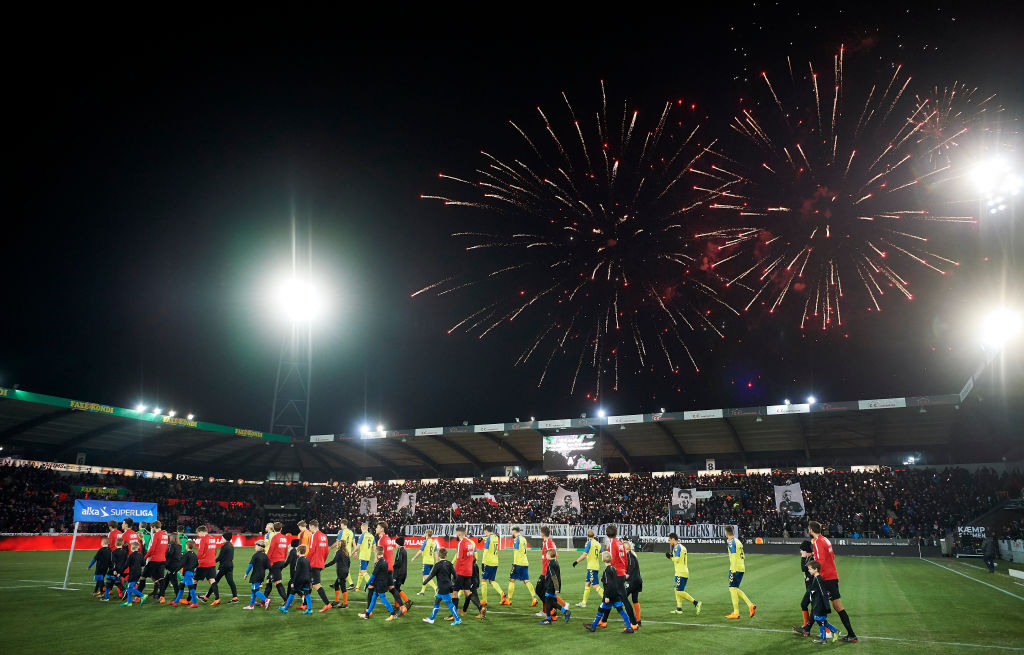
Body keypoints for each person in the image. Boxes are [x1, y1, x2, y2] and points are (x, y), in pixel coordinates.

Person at [808, 521, 857, 642]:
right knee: (835, 606)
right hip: (832, 575)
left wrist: (816, 574)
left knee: (817, 605)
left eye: (808, 529)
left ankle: (824, 634)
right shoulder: (825, 539)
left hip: (825, 577)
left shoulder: (818, 542)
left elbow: (820, 562)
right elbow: (832, 557)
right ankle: (850, 634)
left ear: (811, 530)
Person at [597, 525, 637, 628]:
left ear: (607, 533)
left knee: (621, 599)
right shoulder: (620, 543)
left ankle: (633, 623)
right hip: (621, 573)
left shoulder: (611, 544)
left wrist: (609, 572)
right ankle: (604, 620)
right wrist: (625, 571)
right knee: (609, 596)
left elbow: (611, 559)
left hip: (616, 574)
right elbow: (626, 559)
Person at [583, 552, 634, 634]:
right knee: (620, 610)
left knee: (601, 609)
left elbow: (608, 584)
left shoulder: (607, 570)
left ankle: (593, 627)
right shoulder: (613, 568)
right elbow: (615, 582)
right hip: (616, 593)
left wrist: (606, 596)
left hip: (609, 595)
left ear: (603, 560)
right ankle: (629, 627)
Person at [422, 547, 462, 626]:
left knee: (450, 603)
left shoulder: (437, 565)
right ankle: (431, 619)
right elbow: (455, 575)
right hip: (446, 587)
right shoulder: (449, 564)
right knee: (437, 601)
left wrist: (425, 582)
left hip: (443, 588)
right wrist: (454, 584)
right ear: (446, 555)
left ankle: (458, 619)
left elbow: (431, 576)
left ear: (439, 555)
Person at [358, 545, 399, 621]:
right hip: (381, 583)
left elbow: (373, 575)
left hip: (380, 583)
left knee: (383, 598)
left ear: (376, 553)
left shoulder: (379, 563)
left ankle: (393, 613)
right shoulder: (385, 561)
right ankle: (367, 614)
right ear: (383, 552)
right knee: (374, 598)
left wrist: (367, 584)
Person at [453, 526, 485, 619]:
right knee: (467, 592)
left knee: (455, 592)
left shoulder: (461, 543)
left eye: (456, 534)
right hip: (469, 571)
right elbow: (473, 557)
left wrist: (455, 572)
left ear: (459, 534)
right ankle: (480, 607)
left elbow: (458, 559)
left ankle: (454, 615)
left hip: (461, 571)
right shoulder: (470, 543)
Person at [724, 525, 755, 619]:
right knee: (735, 588)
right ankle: (750, 605)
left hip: (735, 568)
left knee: (732, 588)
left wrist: (733, 571)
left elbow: (733, 556)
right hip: (741, 567)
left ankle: (736, 612)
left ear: (726, 532)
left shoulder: (731, 542)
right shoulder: (738, 541)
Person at [806, 560, 840, 644]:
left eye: (810, 569)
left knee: (820, 620)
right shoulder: (816, 578)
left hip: (820, 604)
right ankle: (835, 631)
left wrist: (826, 605)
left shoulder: (818, 579)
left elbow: (823, 592)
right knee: (821, 621)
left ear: (816, 569)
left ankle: (823, 639)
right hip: (817, 603)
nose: (809, 570)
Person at [667, 533, 702, 615]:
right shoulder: (682, 547)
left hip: (680, 572)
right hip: (683, 571)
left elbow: (677, 559)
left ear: (673, 539)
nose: (669, 542)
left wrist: (670, 557)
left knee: (679, 591)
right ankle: (679, 609)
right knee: (677, 589)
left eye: (669, 540)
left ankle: (696, 603)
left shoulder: (676, 547)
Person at [504, 525, 539, 606]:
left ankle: (508, 600)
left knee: (512, 580)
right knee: (526, 580)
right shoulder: (523, 538)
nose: (511, 533)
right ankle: (534, 598)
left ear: (514, 531)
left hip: (518, 563)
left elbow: (516, 552)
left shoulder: (516, 539)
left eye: (511, 531)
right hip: (525, 562)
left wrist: (514, 565)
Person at [279, 544, 313, 615]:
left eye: (297, 551)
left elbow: (296, 572)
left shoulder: (299, 560)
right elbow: (310, 571)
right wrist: (310, 581)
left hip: (300, 580)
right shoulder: (307, 560)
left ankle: (285, 608)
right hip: (307, 579)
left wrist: (292, 582)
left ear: (299, 551)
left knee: (292, 592)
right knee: (307, 594)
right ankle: (309, 609)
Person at [792, 540, 818, 636]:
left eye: (801, 550)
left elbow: (804, 568)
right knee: (808, 606)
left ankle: (828, 631)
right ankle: (806, 626)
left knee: (815, 609)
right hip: (809, 586)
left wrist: (802, 557)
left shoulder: (811, 558)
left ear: (805, 550)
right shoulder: (810, 558)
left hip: (812, 587)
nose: (800, 552)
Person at [572, 529, 603, 608]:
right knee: (587, 584)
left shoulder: (589, 543)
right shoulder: (598, 544)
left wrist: (576, 561)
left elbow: (584, 555)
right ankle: (584, 602)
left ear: (587, 535)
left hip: (592, 567)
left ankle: (608, 600)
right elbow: (602, 554)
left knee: (595, 586)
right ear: (594, 535)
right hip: (595, 566)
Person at [539, 549, 571, 624]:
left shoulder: (550, 564)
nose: (545, 556)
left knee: (547, 601)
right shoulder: (556, 562)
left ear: (549, 555)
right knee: (552, 602)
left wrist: (556, 588)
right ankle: (565, 612)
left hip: (551, 586)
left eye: (547, 554)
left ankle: (548, 619)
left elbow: (553, 577)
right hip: (555, 585)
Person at [308, 520, 333, 612]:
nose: (309, 529)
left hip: (313, 563)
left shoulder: (314, 535)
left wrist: (305, 560)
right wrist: (323, 562)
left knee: (316, 584)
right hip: (319, 562)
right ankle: (305, 604)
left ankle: (327, 604)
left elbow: (311, 550)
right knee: (309, 583)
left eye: (309, 527)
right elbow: (326, 551)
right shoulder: (324, 536)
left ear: (313, 526)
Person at [479, 525, 507, 606]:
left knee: (483, 580)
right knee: (492, 581)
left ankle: (484, 600)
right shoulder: (495, 537)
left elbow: (485, 551)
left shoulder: (488, 539)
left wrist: (483, 563)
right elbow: (488, 539)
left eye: (484, 532)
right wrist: (482, 538)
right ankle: (502, 593)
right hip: (495, 562)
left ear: (486, 531)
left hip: (488, 562)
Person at [138, 520, 168, 598]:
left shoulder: (156, 535)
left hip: (154, 560)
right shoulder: (165, 535)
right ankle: (162, 596)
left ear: (154, 527)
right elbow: (166, 548)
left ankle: (138, 596)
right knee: (161, 578)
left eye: (152, 528)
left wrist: (145, 557)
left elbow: (152, 548)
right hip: (162, 559)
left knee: (142, 577)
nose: (152, 529)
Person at [242, 540, 272, 610]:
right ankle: (251, 605)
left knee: (255, 590)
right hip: (262, 575)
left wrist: (246, 574)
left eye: (256, 546)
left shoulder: (256, 555)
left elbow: (250, 566)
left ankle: (266, 600)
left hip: (256, 575)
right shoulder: (265, 556)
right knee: (254, 590)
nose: (255, 547)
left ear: (260, 547)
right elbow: (268, 567)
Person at [210, 532, 238, 603]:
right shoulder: (231, 546)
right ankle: (235, 597)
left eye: (222, 538)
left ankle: (206, 597)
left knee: (214, 581)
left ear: (225, 538)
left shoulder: (224, 546)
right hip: (230, 565)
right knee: (230, 581)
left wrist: (211, 562)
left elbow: (219, 558)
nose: (221, 539)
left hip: (223, 566)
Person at [171, 539, 200, 608]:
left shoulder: (186, 555)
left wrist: (175, 571)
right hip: (191, 573)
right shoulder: (194, 555)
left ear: (187, 546)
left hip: (187, 573)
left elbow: (181, 564)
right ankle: (176, 602)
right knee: (181, 586)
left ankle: (195, 603)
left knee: (191, 588)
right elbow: (197, 564)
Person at [196, 526, 220, 605]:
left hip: (204, 563)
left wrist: (195, 559)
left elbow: (200, 552)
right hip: (212, 563)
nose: (198, 534)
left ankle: (189, 599)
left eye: (198, 533)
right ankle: (217, 598)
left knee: (194, 580)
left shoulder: (203, 539)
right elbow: (215, 551)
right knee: (212, 580)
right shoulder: (212, 538)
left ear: (201, 531)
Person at [266, 522, 290, 602]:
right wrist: (283, 559)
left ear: (273, 529)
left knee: (277, 582)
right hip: (281, 561)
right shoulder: (285, 538)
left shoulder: (275, 538)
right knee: (269, 580)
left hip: (274, 562)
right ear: (281, 529)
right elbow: (286, 551)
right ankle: (264, 600)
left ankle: (286, 601)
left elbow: (270, 550)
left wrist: (266, 561)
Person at [324, 538, 351, 608]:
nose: (336, 545)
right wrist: (347, 570)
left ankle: (345, 604)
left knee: (343, 587)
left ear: (340, 545)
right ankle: (336, 601)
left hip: (341, 572)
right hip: (345, 572)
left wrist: (325, 566)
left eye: (337, 544)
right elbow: (349, 562)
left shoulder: (339, 552)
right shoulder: (346, 552)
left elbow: (333, 561)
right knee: (336, 585)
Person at [412, 528, 440, 595]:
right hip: (432, 562)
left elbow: (420, 551)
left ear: (427, 534)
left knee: (425, 576)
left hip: (426, 561)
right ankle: (422, 591)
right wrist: (436, 562)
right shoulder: (434, 542)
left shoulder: (425, 542)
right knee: (425, 576)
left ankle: (436, 588)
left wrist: (414, 557)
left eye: (425, 533)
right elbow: (436, 553)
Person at [156, 533, 182, 604]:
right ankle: (161, 594)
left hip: (171, 565)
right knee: (166, 580)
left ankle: (177, 596)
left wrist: (163, 555)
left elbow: (169, 554)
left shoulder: (172, 545)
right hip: (176, 565)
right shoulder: (179, 546)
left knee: (174, 582)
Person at [120, 542, 148, 606]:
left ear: (131, 548)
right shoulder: (140, 555)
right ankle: (129, 602)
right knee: (129, 587)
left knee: (129, 588)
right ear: (138, 547)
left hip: (133, 573)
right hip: (138, 572)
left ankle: (142, 595)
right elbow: (143, 563)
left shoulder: (131, 555)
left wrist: (120, 572)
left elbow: (126, 565)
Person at [623, 541, 643, 626]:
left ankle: (631, 620)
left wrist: (622, 579)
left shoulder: (630, 556)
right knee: (635, 600)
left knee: (622, 598)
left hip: (633, 582)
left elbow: (630, 571)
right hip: (638, 581)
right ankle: (638, 620)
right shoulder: (632, 555)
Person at [392, 535, 413, 613]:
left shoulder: (400, 550)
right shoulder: (404, 550)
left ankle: (406, 602)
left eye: (396, 543)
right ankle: (398, 605)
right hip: (403, 573)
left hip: (399, 573)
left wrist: (392, 566)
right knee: (396, 589)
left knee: (394, 589)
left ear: (399, 544)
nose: (395, 544)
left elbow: (398, 562)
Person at [105, 536, 128, 601]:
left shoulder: (114, 552)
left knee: (108, 583)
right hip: (121, 570)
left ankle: (106, 597)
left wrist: (114, 570)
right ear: (122, 544)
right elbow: (125, 563)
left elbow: (113, 562)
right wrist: (120, 572)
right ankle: (125, 592)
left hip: (114, 570)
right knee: (117, 582)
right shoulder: (125, 552)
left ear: (115, 544)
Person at [335, 518, 356, 590]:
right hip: (348, 553)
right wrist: (355, 552)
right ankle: (337, 581)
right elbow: (354, 543)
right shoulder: (351, 532)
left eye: (341, 524)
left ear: (343, 524)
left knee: (342, 568)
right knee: (343, 567)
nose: (340, 526)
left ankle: (351, 584)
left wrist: (337, 549)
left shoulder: (341, 532)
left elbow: (337, 542)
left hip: (342, 552)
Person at [355, 522, 375, 592]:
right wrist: (375, 557)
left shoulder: (362, 536)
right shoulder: (372, 536)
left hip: (363, 556)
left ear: (362, 528)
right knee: (361, 571)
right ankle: (357, 587)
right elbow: (374, 548)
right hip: (368, 556)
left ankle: (372, 584)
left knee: (363, 571)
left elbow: (357, 547)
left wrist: (352, 553)